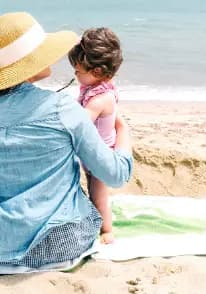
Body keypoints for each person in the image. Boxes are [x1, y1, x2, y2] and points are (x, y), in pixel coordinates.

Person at [0, 12, 133, 271]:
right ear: (27, 63)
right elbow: (116, 175)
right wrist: (123, 130)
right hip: (55, 243)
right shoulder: (62, 110)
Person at [67, 27, 124, 244]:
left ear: (98, 72)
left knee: (98, 194)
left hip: (100, 157)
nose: (75, 75)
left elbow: (80, 122)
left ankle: (106, 230)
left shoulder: (100, 100)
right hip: (93, 154)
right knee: (93, 188)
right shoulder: (99, 88)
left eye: (78, 71)